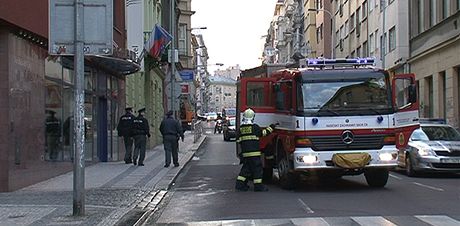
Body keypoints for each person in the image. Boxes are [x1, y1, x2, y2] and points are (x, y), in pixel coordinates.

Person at [235, 108, 276, 192]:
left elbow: (238, 141)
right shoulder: (255, 127)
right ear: (252, 117)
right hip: (254, 154)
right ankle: (258, 186)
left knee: (246, 169)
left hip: (245, 154)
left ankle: (239, 185)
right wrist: (272, 127)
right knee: (257, 169)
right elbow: (264, 133)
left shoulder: (241, 129)